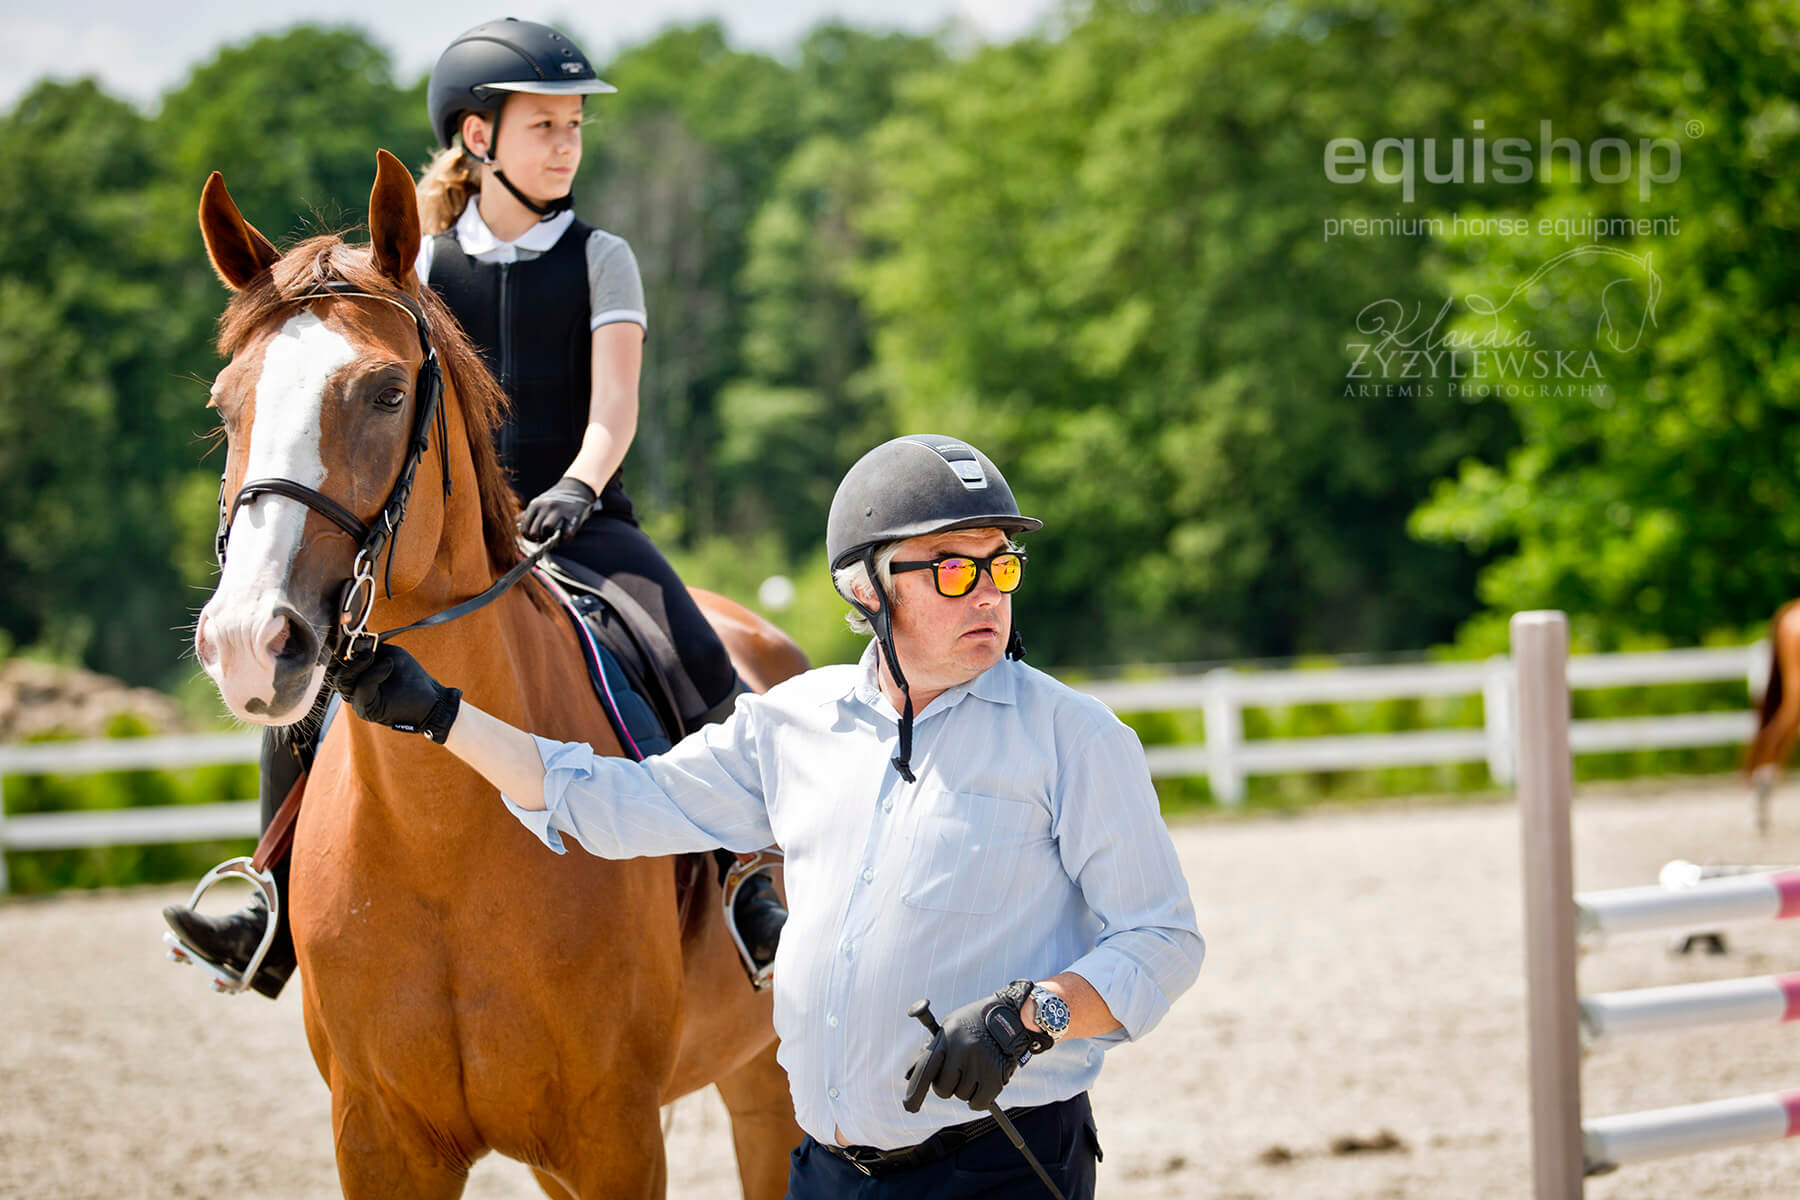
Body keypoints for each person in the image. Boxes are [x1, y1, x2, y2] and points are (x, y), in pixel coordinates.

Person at [331, 433, 1206, 1198]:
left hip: (1001, 1165)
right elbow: (607, 802)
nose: (987, 593)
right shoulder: (791, 724)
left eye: (1000, 565)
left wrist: (1032, 1016)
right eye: (953, 567)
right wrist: (443, 718)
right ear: (866, 588)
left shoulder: (1078, 740)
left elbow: (1161, 940)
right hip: (823, 1174)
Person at [162, 17, 788, 997]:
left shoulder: (601, 257)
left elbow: (615, 407)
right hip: (455, 526)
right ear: (480, 136)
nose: (567, 144)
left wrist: (579, 485)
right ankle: (271, 894)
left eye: (574, 126)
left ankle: (750, 871)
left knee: (689, 652)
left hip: (584, 516)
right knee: (315, 675)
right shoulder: (416, 272)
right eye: (546, 125)